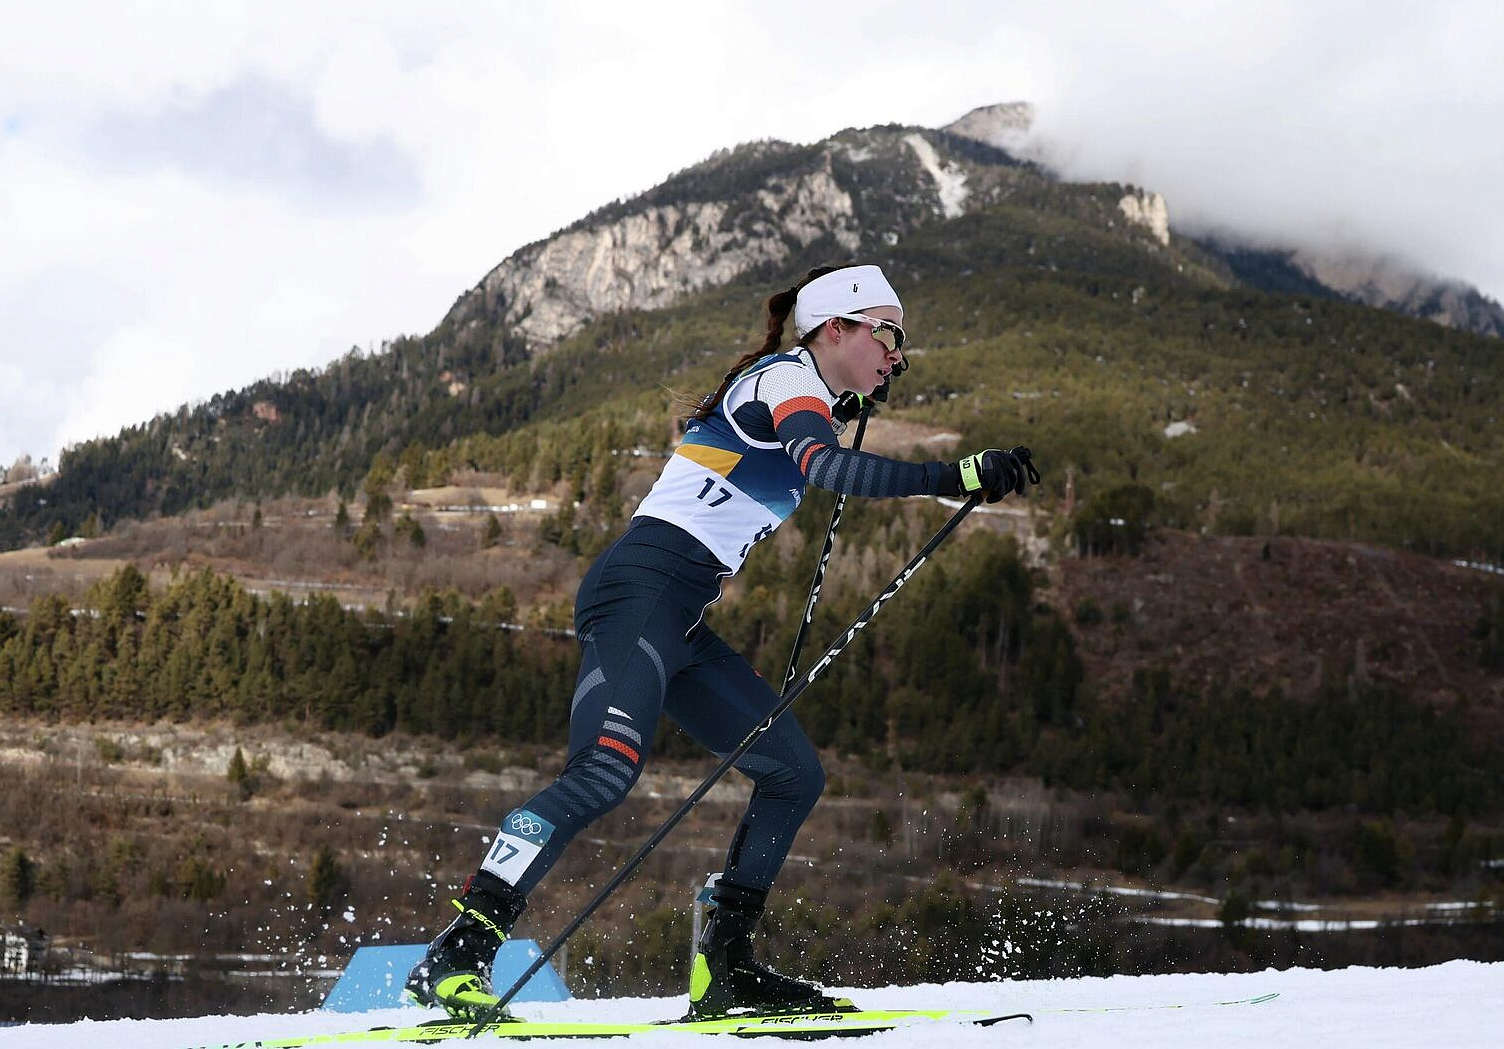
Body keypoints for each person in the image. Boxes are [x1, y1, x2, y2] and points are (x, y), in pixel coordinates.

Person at [404, 264, 1037, 1021]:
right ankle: (461, 950)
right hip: (638, 593)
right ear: (837, 327)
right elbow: (826, 466)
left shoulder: (808, 396)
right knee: (603, 775)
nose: (896, 356)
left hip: (681, 617)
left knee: (794, 774)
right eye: (888, 335)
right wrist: (953, 472)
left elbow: (814, 448)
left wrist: (853, 407)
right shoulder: (780, 382)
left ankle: (727, 966)